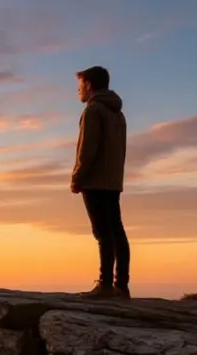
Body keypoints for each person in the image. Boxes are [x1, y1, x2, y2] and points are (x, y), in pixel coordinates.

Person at [71, 66, 131, 300]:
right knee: (116, 231)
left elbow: (88, 149)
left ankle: (105, 284)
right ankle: (121, 285)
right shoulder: (117, 112)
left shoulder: (93, 110)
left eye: (80, 86)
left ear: (90, 85)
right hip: (113, 180)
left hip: (95, 180)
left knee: (102, 233)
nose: (78, 91)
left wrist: (78, 177)